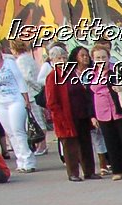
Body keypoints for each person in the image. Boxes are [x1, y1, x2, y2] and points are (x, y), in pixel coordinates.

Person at [87, 42, 122, 180]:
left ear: (108, 57)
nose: (101, 60)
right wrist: (92, 116)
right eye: (98, 58)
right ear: (93, 59)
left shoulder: (118, 70)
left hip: (120, 110)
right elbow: (89, 96)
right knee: (111, 142)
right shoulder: (91, 74)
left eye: (103, 57)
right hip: (102, 113)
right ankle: (118, 170)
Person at [45, 44, 96, 181]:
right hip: (65, 117)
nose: (62, 61)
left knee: (85, 144)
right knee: (70, 147)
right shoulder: (52, 76)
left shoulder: (71, 72)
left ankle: (89, 171)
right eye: (58, 59)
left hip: (80, 114)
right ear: (53, 61)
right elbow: (51, 102)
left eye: (63, 58)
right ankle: (73, 173)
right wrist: (61, 118)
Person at [0, 46, 36, 173]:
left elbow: (20, 80)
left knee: (18, 130)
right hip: (0, 102)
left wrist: (26, 99)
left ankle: (28, 161)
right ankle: (20, 161)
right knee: (10, 133)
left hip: (15, 100)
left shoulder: (9, 62)